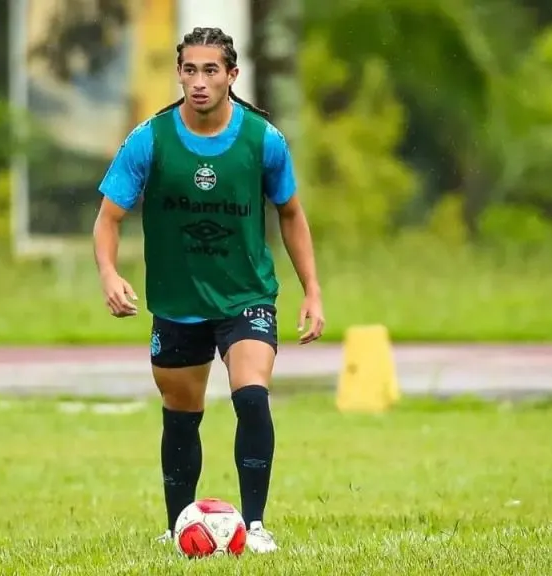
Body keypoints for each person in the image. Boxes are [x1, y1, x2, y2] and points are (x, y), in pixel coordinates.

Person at [92, 26, 324, 554]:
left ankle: (256, 525)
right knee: (181, 410)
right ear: (179, 73)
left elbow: (290, 213)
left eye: (211, 70)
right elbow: (108, 217)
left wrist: (312, 289)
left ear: (232, 75)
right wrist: (108, 272)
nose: (199, 81)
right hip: (178, 301)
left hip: (246, 295)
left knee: (251, 395)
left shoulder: (263, 140)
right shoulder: (149, 140)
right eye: (190, 70)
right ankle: (178, 526)